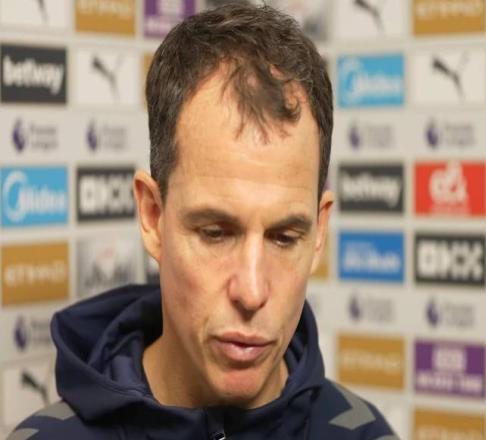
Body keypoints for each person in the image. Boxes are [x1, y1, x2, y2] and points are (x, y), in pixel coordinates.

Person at [9, 3, 398, 439]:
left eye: (284, 237)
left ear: (319, 233)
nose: (252, 291)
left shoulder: (366, 433)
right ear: (153, 216)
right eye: (216, 234)